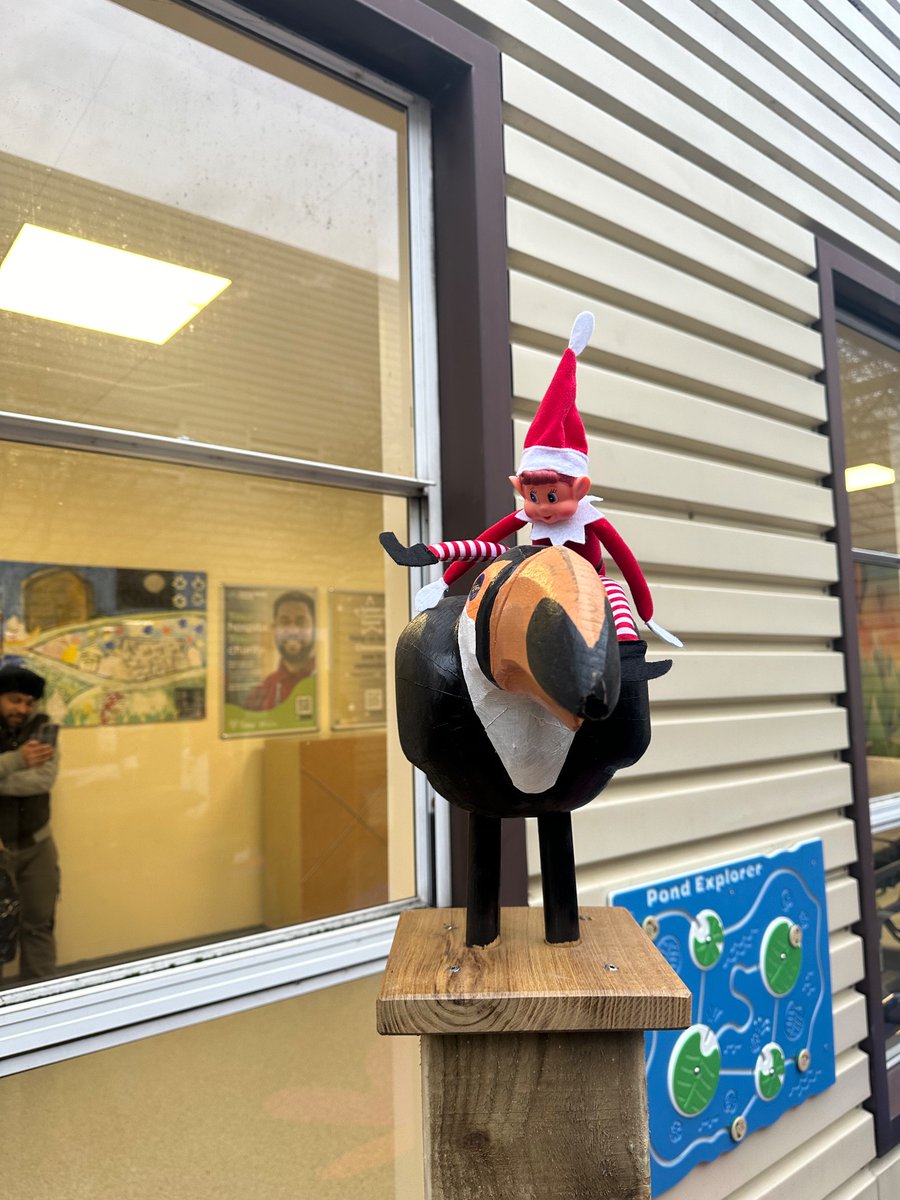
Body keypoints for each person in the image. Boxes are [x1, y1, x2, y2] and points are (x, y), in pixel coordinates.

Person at [380, 312, 681, 646]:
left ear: (579, 490)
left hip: (589, 580)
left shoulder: (590, 519)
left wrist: (648, 614)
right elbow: (487, 539)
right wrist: (443, 583)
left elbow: (626, 564)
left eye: (551, 497)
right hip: (542, 576)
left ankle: (630, 655)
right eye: (532, 497)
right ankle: (425, 554)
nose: (541, 508)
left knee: (614, 593)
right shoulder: (527, 514)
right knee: (492, 551)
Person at [0, 663, 60, 981]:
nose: (22, 709)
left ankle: (45, 1008)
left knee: (39, 928)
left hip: (38, 846)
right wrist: (18, 761)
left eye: (28, 702)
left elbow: (43, 780)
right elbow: (29, 771)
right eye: (14, 700)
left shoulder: (44, 728)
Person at [243, 591, 316, 711]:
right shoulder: (258, 695)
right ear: (274, 628)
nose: (292, 630)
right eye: (285, 622)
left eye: (301, 621)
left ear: (315, 628)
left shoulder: (330, 685)